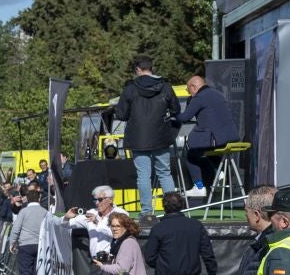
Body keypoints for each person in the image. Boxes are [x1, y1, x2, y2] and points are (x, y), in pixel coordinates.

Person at [112, 55, 181, 214]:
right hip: (161, 136)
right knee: (164, 173)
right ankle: (173, 210)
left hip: (138, 138)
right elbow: (176, 110)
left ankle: (147, 212)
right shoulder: (165, 86)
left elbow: (121, 115)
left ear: (137, 69)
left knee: (143, 176)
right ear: (151, 68)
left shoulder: (130, 88)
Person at [139, 191, 217, 275]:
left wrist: (162, 266)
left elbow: (149, 256)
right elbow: (207, 252)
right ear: (182, 205)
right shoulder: (195, 225)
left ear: (164, 207)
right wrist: (212, 273)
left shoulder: (159, 228)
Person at [176, 72, 237, 194]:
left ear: (193, 87)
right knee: (208, 151)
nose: (189, 94)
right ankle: (220, 172)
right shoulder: (218, 94)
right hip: (230, 137)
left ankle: (198, 187)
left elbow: (184, 118)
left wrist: (172, 114)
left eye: (188, 91)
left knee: (190, 154)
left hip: (215, 138)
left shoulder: (199, 97)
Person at [13, 185, 47, 275]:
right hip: (40, 244)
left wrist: (12, 242)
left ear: (27, 198)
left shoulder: (23, 211)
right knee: (35, 271)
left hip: (26, 245)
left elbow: (16, 229)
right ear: (38, 199)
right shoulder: (45, 212)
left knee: (25, 272)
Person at [99, 211, 150, 275]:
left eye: (118, 226)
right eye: (112, 226)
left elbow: (121, 269)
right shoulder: (119, 242)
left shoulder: (128, 243)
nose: (114, 229)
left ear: (125, 228)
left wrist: (102, 266)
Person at [70, 187, 115, 260]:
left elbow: (116, 234)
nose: (97, 203)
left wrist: (97, 222)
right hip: (96, 262)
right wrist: (67, 217)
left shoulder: (120, 213)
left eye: (100, 200)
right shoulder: (92, 212)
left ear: (110, 199)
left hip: (113, 263)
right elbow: (67, 224)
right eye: (95, 200)